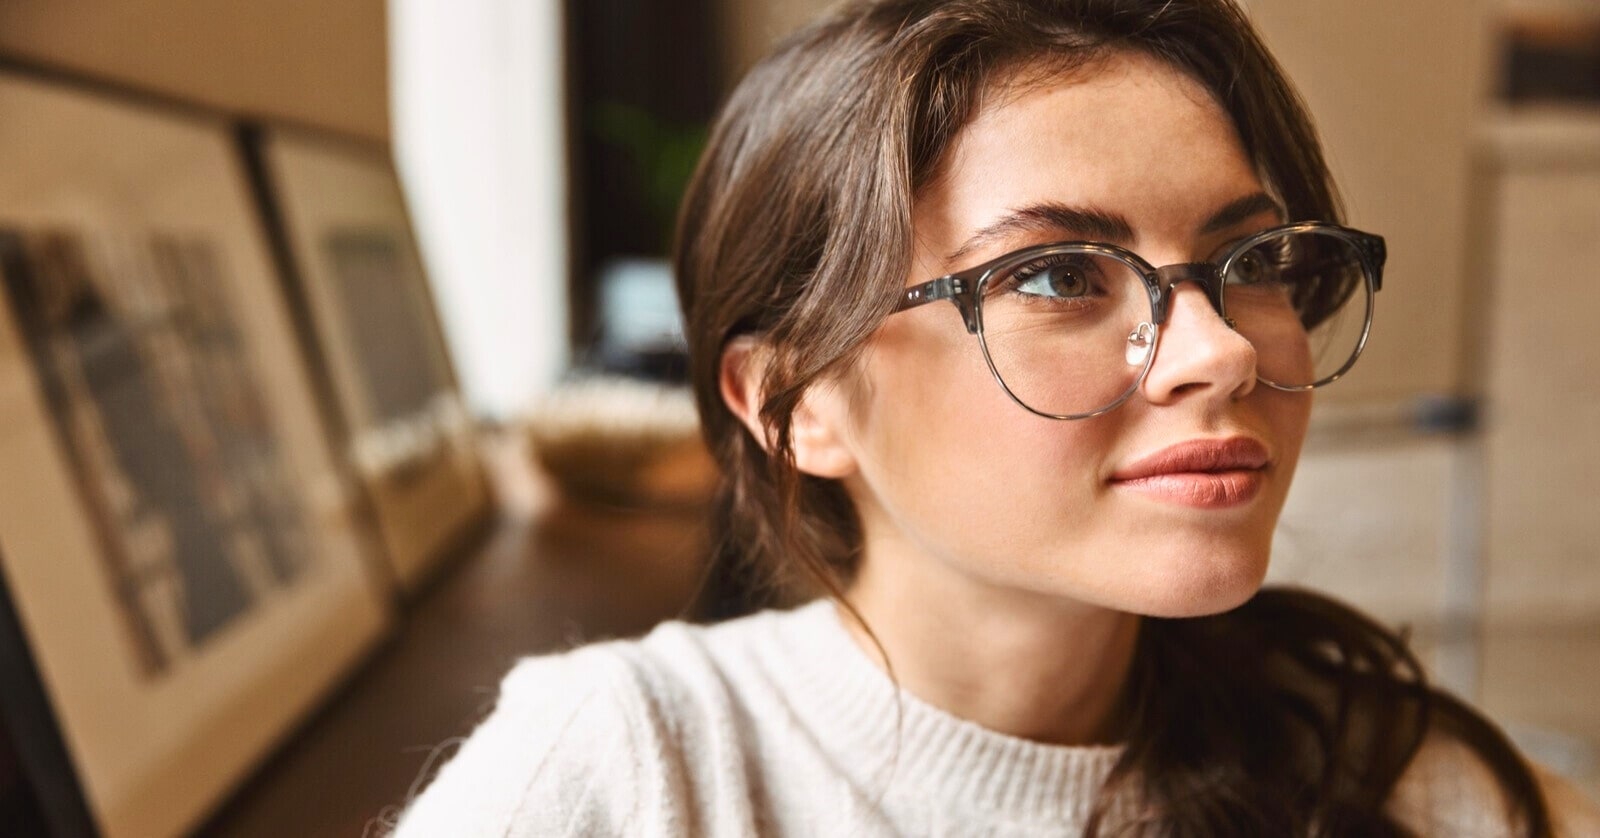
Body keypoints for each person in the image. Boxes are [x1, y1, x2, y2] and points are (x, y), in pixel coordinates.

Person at [393, 0, 1600, 834]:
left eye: (1252, 260)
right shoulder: (631, 768)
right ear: (794, 404)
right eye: (1060, 276)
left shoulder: (1377, 770)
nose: (1224, 349)